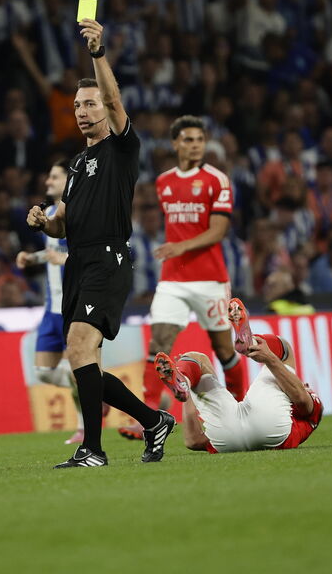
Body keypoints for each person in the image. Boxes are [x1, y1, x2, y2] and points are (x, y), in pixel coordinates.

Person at [26, 17, 174, 468]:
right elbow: (64, 227)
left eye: (90, 104)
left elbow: (114, 98)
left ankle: (92, 449)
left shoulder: (122, 149)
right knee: (82, 358)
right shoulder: (76, 164)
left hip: (108, 258)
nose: (82, 111)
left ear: (106, 111)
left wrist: (97, 52)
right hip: (79, 260)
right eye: (77, 106)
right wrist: (45, 222)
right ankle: (153, 421)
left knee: (79, 347)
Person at [125, 115, 245, 442]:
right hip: (173, 279)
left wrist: (180, 246)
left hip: (210, 278)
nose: (195, 145)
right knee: (159, 342)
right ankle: (147, 416)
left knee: (224, 349)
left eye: (200, 140)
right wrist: (176, 251)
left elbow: (218, 231)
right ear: (175, 143)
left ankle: (239, 408)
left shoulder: (217, 180)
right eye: (189, 140)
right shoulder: (163, 183)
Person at [154, 298, 323, 454]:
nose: (306, 385)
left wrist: (270, 358)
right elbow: (192, 441)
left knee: (283, 351)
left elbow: (301, 398)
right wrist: (188, 390)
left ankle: (248, 345)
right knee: (198, 362)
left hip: (231, 436)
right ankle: (185, 380)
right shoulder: (305, 412)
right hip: (266, 431)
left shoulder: (310, 401)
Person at [16, 162, 87, 445]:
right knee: (44, 373)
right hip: (51, 309)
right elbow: (52, 252)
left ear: (69, 181)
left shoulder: (80, 212)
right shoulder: (47, 214)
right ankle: (98, 389)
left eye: (55, 176)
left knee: (75, 370)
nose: (48, 181)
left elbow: (91, 255)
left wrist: (67, 259)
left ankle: (83, 428)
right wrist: (31, 258)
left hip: (74, 304)